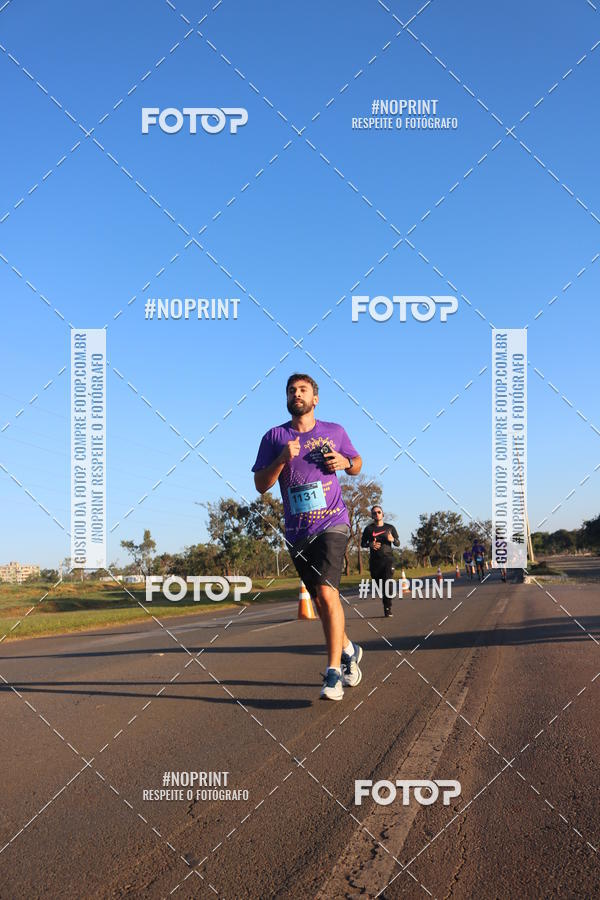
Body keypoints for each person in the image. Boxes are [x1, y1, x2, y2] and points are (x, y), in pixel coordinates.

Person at [252, 374, 363, 701]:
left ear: (315, 398)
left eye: (302, 390)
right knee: (320, 601)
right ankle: (348, 648)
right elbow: (261, 485)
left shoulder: (335, 431)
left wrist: (345, 462)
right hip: (297, 532)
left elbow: (357, 464)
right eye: (291, 390)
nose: (296, 394)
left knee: (328, 596)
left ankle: (332, 675)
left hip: (333, 522)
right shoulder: (274, 437)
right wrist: (282, 459)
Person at [361, 507, 400, 616]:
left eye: (379, 512)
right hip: (375, 562)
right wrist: (370, 544)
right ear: (372, 516)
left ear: (383, 514)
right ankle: (386, 600)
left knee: (388, 583)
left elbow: (398, 543)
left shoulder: (390, 528)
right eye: (374, 513)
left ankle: (388, 607)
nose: (377, 514)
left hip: (388, 560)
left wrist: (392, 540)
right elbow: (363, 544)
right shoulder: (368, 529)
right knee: (381, 586)